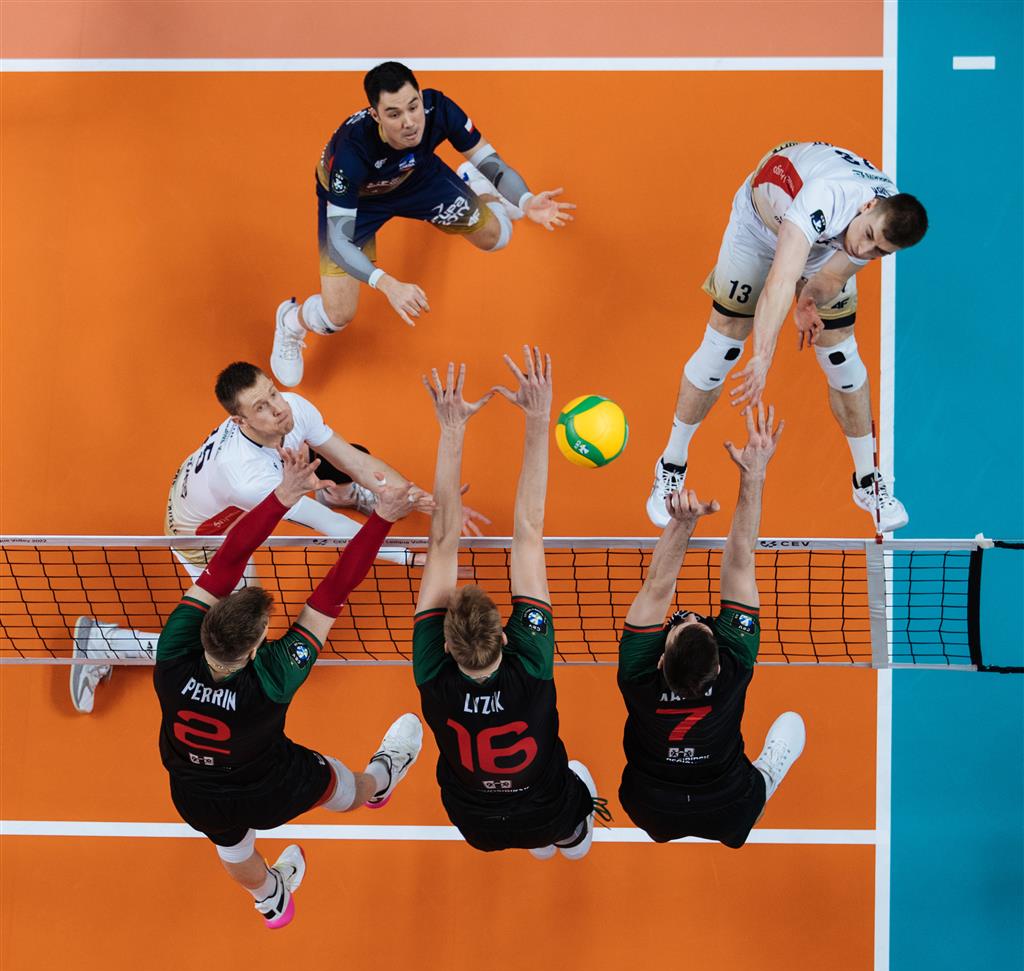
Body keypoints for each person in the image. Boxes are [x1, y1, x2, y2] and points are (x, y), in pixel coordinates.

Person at [70, 361, 486, 713]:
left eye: (272, 393)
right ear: (241, 421)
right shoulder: (248, 477)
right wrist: (409, 557)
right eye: (262, 407)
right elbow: (331, 528)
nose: (278, 408)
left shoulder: (293, 407)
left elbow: (355, 462)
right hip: (202, 537)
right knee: (232, 640)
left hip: (224, 508)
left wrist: (432, 500)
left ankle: (336, 491)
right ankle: (103, 643)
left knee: (342, 460)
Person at [153, 444, 423, 929]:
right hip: (270, 785)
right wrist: (380, 518)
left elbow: (229, 558)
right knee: (345, 788)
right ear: (255, 647)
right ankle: (383, 779)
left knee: (232, 847)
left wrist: (282, 496)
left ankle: (269, 899)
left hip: (195, 791)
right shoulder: (272, 678)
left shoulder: (173, 651)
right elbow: (333, 590)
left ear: (207, 623)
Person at [647, 141, 928, 533]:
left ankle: (867, 481)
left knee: (841, 355)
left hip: (820, 241)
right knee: (723, 347)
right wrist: (762, 356)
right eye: (867, 236)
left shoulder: (880, 228)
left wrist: (808, 301)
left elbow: (832, 275)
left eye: (879, 251)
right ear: (867, 207)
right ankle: (671, 464)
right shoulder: (828, 197)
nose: (864, 248)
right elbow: (780, 280)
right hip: (761, 226)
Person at [411, 350, 609, 860]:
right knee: (568, 825)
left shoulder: (441, 671)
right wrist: (539, 420)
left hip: (475, 823)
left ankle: (545, 842)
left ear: (448, 646)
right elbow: (527, 532)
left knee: (527, 815)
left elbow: (442, 543)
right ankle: (570, 839)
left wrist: (452, 431)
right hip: (549, 809)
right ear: (503, 637)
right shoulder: (518, 667)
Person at [271, 61, 574, 386]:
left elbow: (491, 163)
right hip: (360, 203)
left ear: (419, 95)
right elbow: (339, 242)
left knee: (498, 238)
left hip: (416, 178)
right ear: (376, 115)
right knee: (339, 315)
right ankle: (291, 321)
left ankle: (475, 185)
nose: (409, 122)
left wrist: (526, 201)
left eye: (413, 106)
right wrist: (387, 284)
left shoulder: (439, 108)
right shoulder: (351, 154)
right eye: (394, 114)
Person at [621, 403, 805, 847]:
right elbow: (740, 561)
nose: (688, 616)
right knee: (788, 735)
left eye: (681, 624)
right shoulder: (733, 665)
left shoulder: (638, 676)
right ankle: (767, 773)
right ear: (718, 665)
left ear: (661, 658)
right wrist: (754, 474)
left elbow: (658, 585)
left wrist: (681, 523)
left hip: (651, 805)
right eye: (695, 624)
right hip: (731, 804)